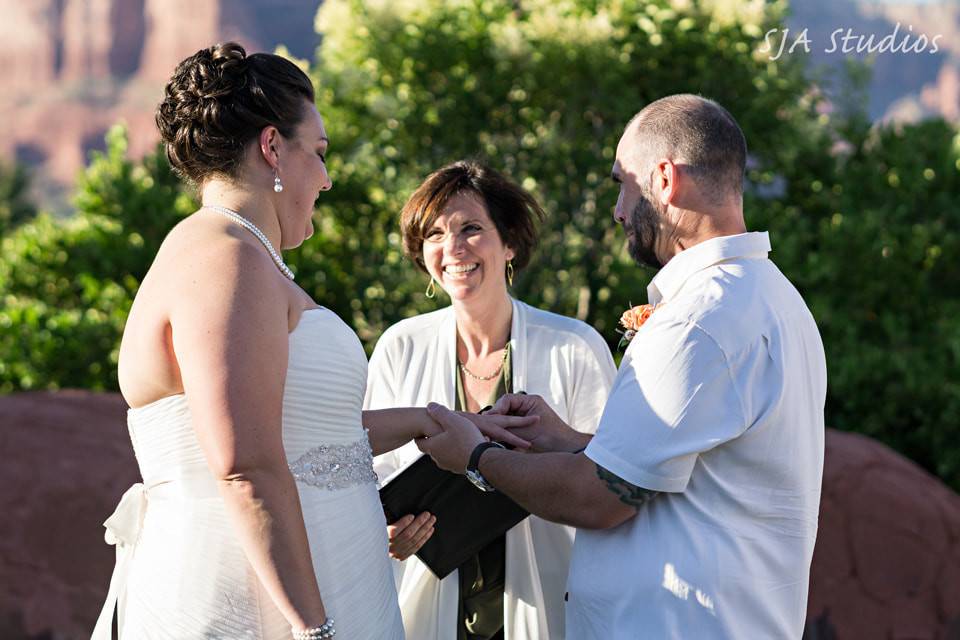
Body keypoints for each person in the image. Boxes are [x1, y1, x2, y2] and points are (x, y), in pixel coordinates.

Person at [92, 43, 533, 640]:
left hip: (334, 584)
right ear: (272, 147)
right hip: (256, 608)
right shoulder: (226, 258)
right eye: (318, 154)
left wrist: (429, 422)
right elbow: (245, 467)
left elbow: (300, 431)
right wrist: (313, 629)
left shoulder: (243, 255)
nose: (325, 179)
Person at [416, 95, 828, 639]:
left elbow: (599, 498)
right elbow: (679, 473)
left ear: (663, 179)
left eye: (623, 183)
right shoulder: (774, 298)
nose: (617, 209)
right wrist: (562, 440)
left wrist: (473, 454)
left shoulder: (698, 321)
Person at [365, 160, 616, 640]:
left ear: (510, 243)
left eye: (471, 228)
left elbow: (614, 479)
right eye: (435, 234)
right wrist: (383, 534)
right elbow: (364, 477)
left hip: (552, 604)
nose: (453, 248)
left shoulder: (576, 347)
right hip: (423, 611)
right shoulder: (400, 346)